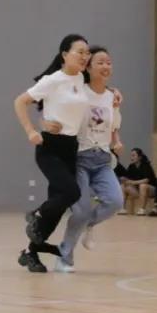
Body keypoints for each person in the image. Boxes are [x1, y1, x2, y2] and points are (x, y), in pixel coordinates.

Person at [13, 34, 90, 273]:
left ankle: (30, 253)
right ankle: (36, 213)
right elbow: (20, 101)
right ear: (64, 54)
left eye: (87, 53)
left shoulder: (81, 78)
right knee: (71, 192)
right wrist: (31, 130)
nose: (85, 56)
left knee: (57, 207)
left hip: (70, 148)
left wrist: (115, 93)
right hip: (50, 148)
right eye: (80, 52)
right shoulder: (52, 80)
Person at [55, 46, 124, 272]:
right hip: (80, 159)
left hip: (102, 159)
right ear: (89, 67)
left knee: (115, 202)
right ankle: (64, 257)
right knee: (81, 210)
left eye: (109, 62)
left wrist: (116, 140)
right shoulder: (79, 92)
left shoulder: (112, 97)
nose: (106, 66)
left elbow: (113, 125)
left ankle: (88, 225)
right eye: (100, 62)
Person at [119, 148, 157, 215]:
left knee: (143, 185)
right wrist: (124, 179)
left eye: (133, 155)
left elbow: (146, 180)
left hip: (151, 189)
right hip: (139, 191)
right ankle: (122, 208)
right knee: (123, 185)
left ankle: (142, 209)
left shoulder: (146, 165)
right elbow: (128, 177)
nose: (131, 157)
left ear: (139, 157)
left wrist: (133, 182)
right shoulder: (131, 166)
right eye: (131, 155)